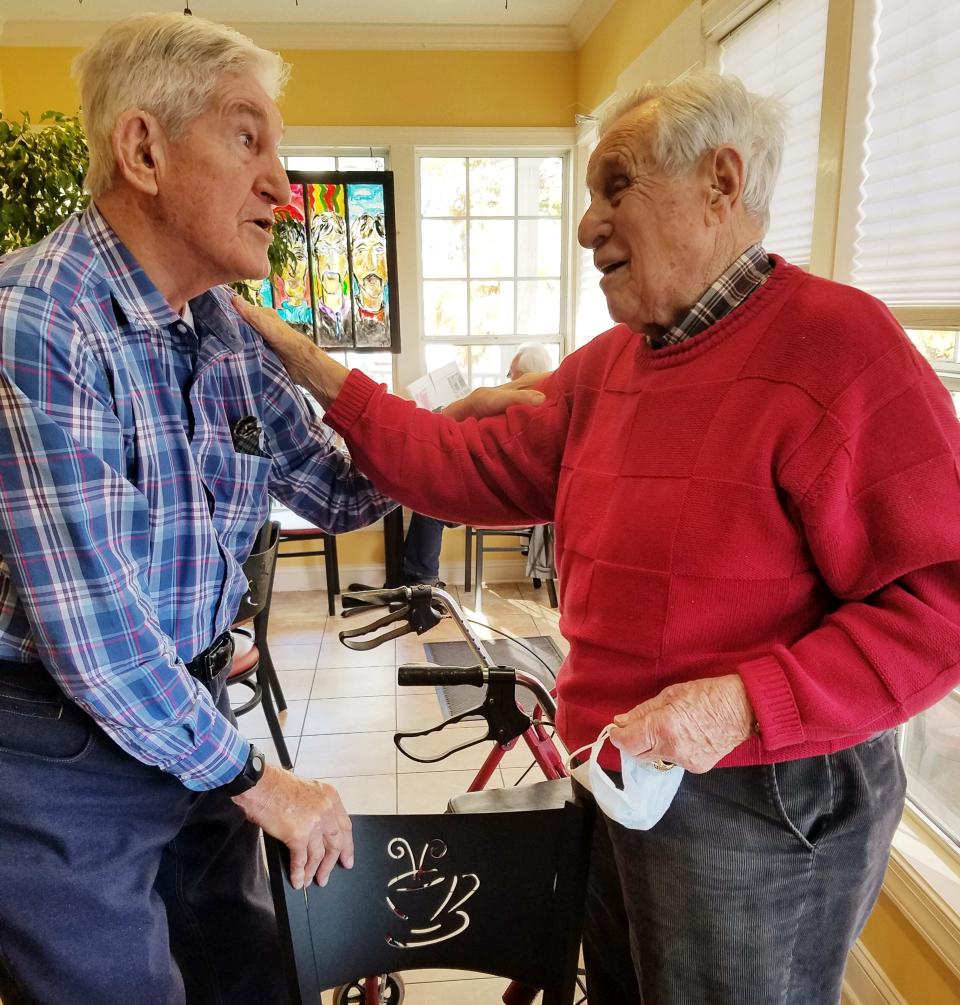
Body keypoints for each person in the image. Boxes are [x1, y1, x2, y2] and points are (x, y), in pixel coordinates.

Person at [238, 72, 960, 1005]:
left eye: (615, 186)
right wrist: (306, 363)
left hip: (760, 790)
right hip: (619, 772)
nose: (586, 226)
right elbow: (459, 466)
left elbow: (939, 604)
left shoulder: (840, 347)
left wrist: (740, 704)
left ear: (721, 183)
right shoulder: (613, 365)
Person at [0, 14, 536, 1005]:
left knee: (255, 976)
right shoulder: (38, 324)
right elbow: (101, 648)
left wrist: (447, 429)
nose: (284, 189)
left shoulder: (221, 326)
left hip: (187, 719)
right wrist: (259, 781)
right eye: (249, 138)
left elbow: (333, 491)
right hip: (60, 748)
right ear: (144, 148)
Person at [401, 342, 554, 586]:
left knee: (430, 503)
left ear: (527, 376)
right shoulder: (534, 406)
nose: (507, 378)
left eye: (511, 373)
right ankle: (416, 577)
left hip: (497, 494)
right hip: (500, 489)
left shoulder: (519, 409)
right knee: (428, 497)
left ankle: (422, 582)